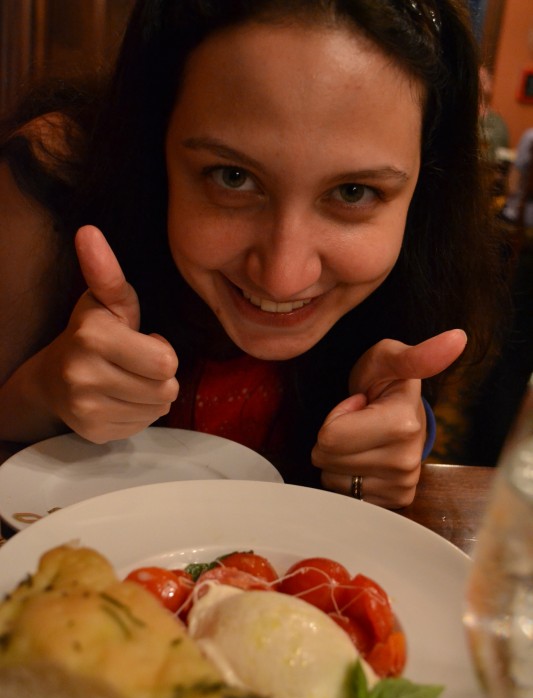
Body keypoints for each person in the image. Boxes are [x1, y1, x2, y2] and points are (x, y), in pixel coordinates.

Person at [0, 0, 507, 509]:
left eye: (353, 192)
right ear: (155, 135)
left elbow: (397, 427)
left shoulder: (425, 260)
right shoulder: (49, 187)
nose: (284, 278)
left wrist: (397, 437)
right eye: (233, 177)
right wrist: (38, 393)